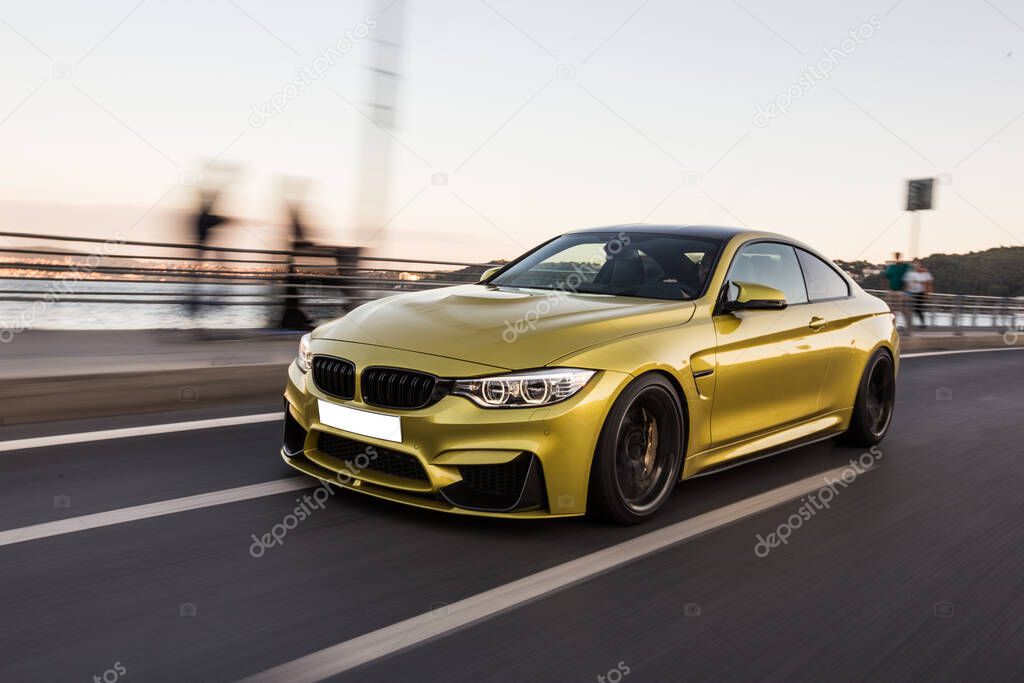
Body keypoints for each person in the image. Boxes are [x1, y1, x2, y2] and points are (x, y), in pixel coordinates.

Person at [884, 252, 912, 334]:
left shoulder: (904, 267)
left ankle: (907, 328)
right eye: (896, 256)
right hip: (892, 291)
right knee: (891, 310)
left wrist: (906, 293)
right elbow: (887, 278)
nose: (897, 258)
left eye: (898, 256)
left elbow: (908, 275)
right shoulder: (892, 267)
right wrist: (887, 289)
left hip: (901, 292)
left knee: (903, 310)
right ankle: (893, 327)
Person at [903, 260, 934, 330]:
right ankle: (909, 324)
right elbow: (907, 284)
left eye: (917, 264)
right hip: (911, 293)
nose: (915, 265)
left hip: (920, 293)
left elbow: (929, 282)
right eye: (914, 264)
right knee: (908, 308)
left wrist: (928, 293)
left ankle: (922, 323)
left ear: (919, 265)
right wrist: (906, 293)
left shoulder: (924, 272)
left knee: (918, 309)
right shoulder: (909, 273)